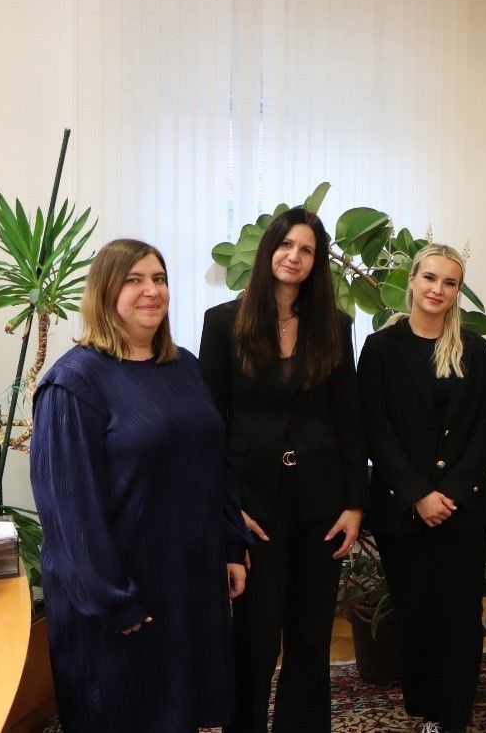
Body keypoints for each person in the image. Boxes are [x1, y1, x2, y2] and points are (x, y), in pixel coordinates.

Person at [29, 239, 247, 732]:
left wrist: (232, 544)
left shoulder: (184, 366)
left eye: (159, 279)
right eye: (134, 280)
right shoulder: (73, 384)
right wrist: (110, 599)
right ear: (105, 292)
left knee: (181, 713)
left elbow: (215, 463)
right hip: (122, 594)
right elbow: (67, 511)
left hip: (187, 583)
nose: (151, 291)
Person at [199, 207, 368, 733]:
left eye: (307, 250)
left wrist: (355, 503)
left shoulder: (335, 325)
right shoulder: (224, 322)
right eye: (286, 245)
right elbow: (210, 423)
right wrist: (229, 510)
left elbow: (349, 418)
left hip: (322, 504)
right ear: (269, 249)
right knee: (254, 640)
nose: (294, 257)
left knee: (311, 639)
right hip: (255, 507)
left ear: (317, 263)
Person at [357, 244, 486, 733]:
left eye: (450, 283)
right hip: (403, 510)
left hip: (463, 511)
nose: (438, 289)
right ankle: (427, 711)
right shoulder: (380, 348)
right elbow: (375, 428)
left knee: (461, 619)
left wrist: (452, 492)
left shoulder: (474, 349)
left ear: (458, 292)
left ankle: (455, 716)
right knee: (417, 617)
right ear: (412, 280)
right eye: (431, 278)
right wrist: (418, 493)